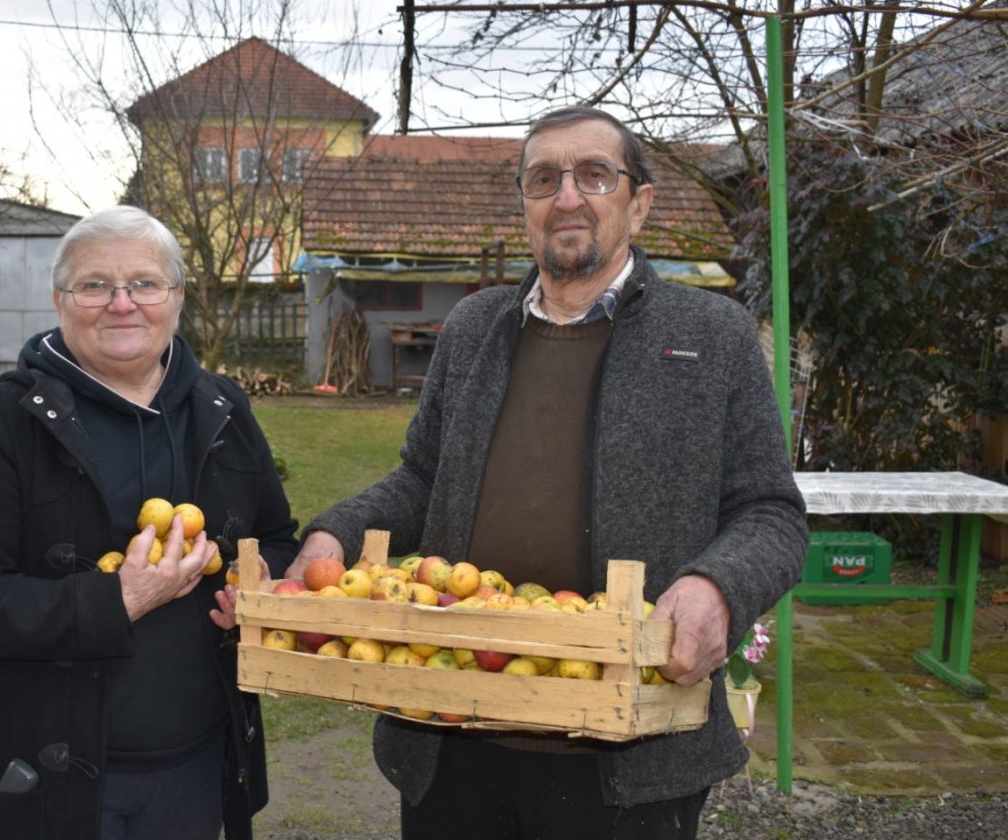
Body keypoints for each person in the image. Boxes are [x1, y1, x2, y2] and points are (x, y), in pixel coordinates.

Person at [289, 106, 809, 839]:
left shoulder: (710, 336)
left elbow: (771, 513)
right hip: (453, 730)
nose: (567, 196)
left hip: (626, 755)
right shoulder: (473, 329)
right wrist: (334, 534)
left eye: (594, 174)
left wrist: (717, 587)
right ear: (525, 206)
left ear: (640, 203)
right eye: (543, 179)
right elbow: (420, 477)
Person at [0, 205, 297, 840]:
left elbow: (277, 539)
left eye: (145, 283)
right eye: (95, 285)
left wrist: (256, 587)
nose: (122, 304)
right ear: (61, 299)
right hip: (51, 776)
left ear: (177, 297)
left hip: (198, 766)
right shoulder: (8, 421)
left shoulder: (222, 409)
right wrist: (116, 599)